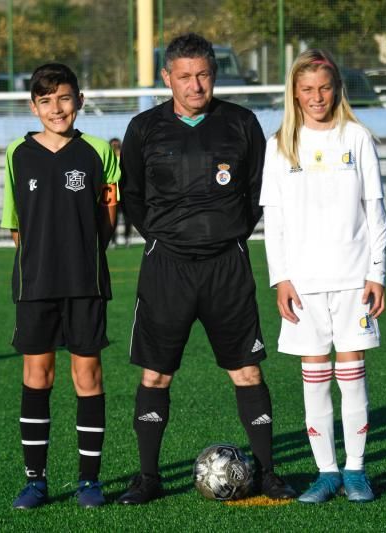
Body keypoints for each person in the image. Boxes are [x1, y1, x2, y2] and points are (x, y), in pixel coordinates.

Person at [116, 33, 297, 504]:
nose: (195, 85)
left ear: (213, 74)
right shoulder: (143, 128)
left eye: (203, 75)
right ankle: (149, 478)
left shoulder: (240, 123)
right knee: (155, 375)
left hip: (226, 267)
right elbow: (131, 195)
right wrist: (161, 236)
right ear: (166, 78)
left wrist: (231, 231)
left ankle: (268, 471)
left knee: (248, 371)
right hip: (167, 268)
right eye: (184, 76)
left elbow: (260, 191)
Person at [260, 49, 386, 504]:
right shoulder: (279, 145)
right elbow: (272, 221)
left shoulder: (356, 137)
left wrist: (377, 273)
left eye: (324, 88)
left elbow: (374, 210)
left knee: (351, 376)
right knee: (313, 376)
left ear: (337, 89)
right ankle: (326, 472)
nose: (317, 97)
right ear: (294, 93)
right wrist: (282, 279)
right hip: (304, 284)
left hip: (354, 278)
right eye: (307, 89)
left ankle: (355, 470)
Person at [0, 63, 120, 509]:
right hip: (35, 283)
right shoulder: (17, 153)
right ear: (34, 107)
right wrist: (40, 257)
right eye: (46, 101)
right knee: (37, 375)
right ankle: (36, 480)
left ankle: (90, 481)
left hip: (85, 282)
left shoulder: (96, 152)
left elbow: (108, 214)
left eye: (64, 98)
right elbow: (16, 224)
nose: (57, 108)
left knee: (87, 375)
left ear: (80, 101)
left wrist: (83, 251)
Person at [108, 137, 134, 247]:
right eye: (113, 144)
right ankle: (113, 241)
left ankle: (127, 238)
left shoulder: (124, 158)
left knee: (128, 220)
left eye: (117, 144)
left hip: (125, 195)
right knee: (112, 220)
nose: (115, 146)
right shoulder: (109, 158)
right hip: (112, 195)